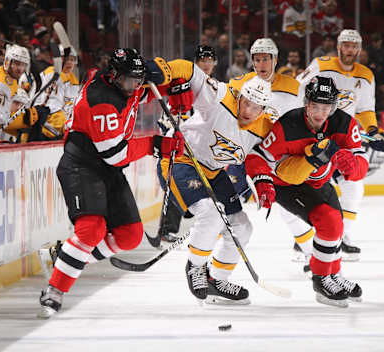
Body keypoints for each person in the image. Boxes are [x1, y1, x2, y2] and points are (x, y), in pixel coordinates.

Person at [37, 48, 187, 318]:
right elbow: (116, 155)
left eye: (139, 80)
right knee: (91, 230)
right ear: (115, 76)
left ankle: (65, 256)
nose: (136, 87)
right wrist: (156, 144)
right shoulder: (101, 100)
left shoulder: (127, 82)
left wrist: (179, 85)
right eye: (131, 81)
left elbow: (163, 75)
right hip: (82, 166)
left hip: (105, 169)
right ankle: (54, 290)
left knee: (130, 235)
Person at [158, 58, 273, 305]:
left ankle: (217, 280)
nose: (249, 110)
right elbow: (190, 71)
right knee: (211, 214)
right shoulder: (220, 95)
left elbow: (261, 156)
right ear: (240, 96)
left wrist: (264, 180)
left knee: (242, 226)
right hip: (183, 160)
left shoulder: (264, 127)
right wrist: (162, 70)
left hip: (213, 171)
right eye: (247, 102)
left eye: (257, 108)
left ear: (264, 110)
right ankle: (196, 266)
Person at [246, 76, 368, 307]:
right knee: (330, 222)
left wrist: (353, 166)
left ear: (333, 107)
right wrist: (262, 181)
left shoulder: (344, 124)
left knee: (337, 227)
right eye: (315, 106)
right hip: (287, 184)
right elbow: (257, 156)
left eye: (326, 107)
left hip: (318, 181)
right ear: (306, 103)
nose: (320, 114)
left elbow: (361, 164)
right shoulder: (289, 125)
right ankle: (321, 280)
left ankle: (333, 274)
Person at [296, 29, 384, 261]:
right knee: (315, 187)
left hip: (344, 134)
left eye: (353, 46)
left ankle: (343, 237)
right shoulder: (321, 64)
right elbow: (297, 91)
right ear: (338, 47)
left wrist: (372, 130)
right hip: (316, 133)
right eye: (345, 45)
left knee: (355, 185)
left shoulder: (366, 75)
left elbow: (365, 109)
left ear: (359, 49)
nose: (349, 50)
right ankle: (304, 241)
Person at [229, 38, 315, 273]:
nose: (261, 63)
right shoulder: (238, 84)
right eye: (257, 59)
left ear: (275, 60)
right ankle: (214, 262)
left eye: (266, 58)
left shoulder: (293, 86)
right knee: (226, 209)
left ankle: (313, 254)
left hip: (275, 156)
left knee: (287, 209)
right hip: (241, 155)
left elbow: (307, 114)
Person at [154, 44, 218, 245]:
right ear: (195, 63)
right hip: (182, 146)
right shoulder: (184, 83)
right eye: (202, 61)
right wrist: (172, 134)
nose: (206, 64)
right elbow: (169, 116)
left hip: (203, 148)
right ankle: (167, 229)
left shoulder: (215, 87)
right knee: (177, 184)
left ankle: (211, 227)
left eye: (210, 60)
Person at [0, 43, 45, 142]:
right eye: (17, 64)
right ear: (7, 62)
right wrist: (25, 119)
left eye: (23, 65)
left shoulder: (11, 79)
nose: (20, 69)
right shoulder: (1, 82)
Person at [32, 45, 80, 141]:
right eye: (67, 59)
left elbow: (71, 105)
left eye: (72, 59)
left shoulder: (72, 78)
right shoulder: (53, 74)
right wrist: (68, 125)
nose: (70, 62)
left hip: (61, 125)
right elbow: (51, 108)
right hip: (45, 126)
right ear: (60, 59)